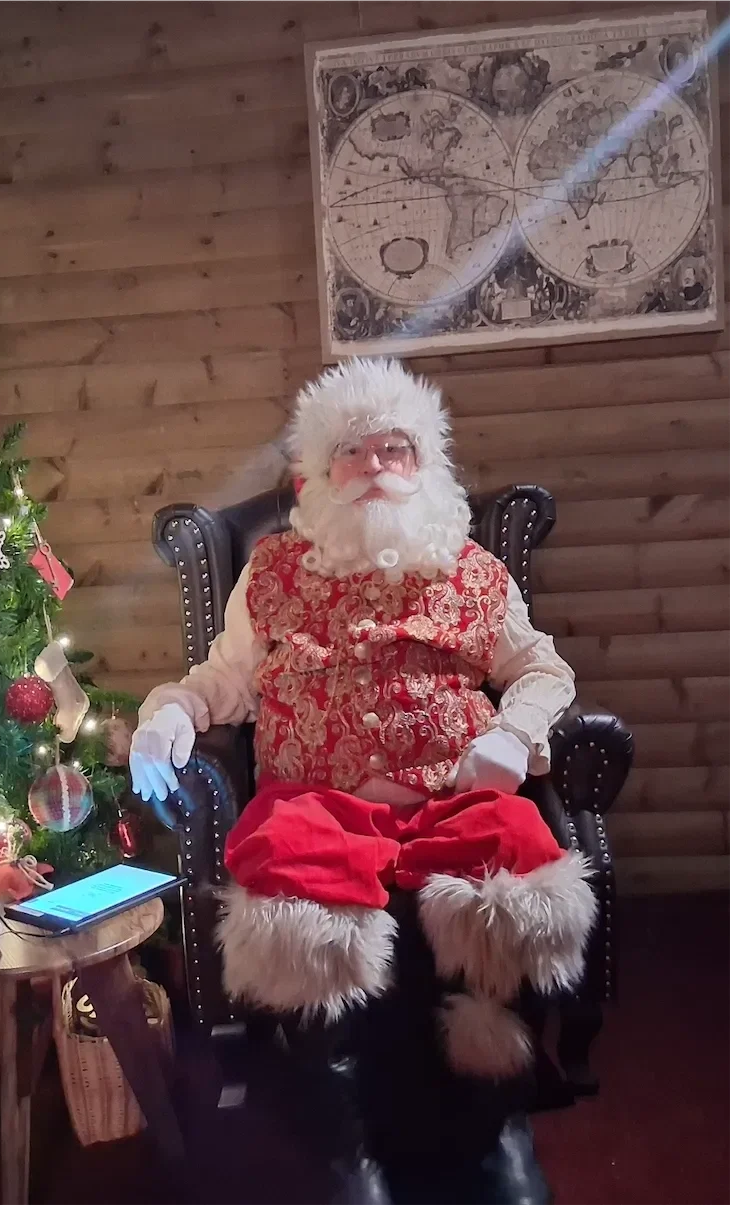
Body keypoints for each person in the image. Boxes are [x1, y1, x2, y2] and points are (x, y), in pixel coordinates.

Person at [129, 357, 593, 1201]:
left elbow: (542, 670)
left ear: (424, 463)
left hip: (452, 795)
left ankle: (492, 1121)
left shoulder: (473, 571)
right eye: (352, 451)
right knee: (289, 873)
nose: (375, 466)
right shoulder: (271, 573)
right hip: (316, 804)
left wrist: (513, 733)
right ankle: (348, 1136)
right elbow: (222, 679)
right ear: (318, 473)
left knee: (518, 852)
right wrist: (169, 715)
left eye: (394, 448)